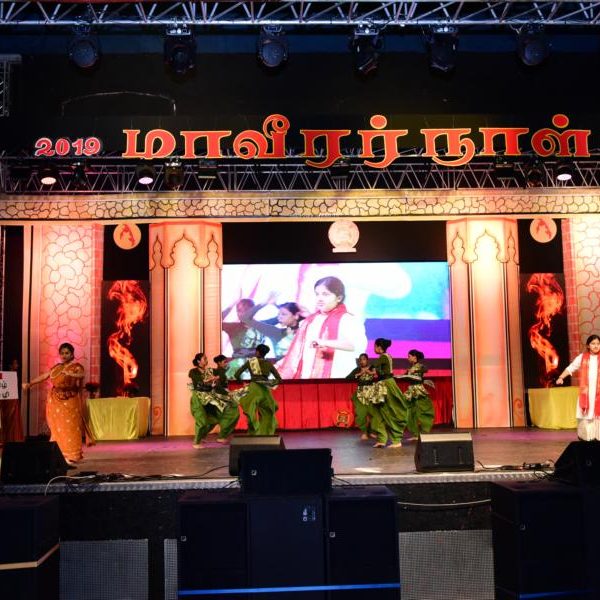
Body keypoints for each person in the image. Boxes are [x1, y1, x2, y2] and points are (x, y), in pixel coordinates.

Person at [276, 276, 367, 379]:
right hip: (308, 376)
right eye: (317, 294)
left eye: (325, 294)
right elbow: (301, 351)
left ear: (339, 298)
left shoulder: (348, 319)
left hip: (338, 377)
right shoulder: (311, 320)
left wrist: (324, 342)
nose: (319, 298)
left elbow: (355, 345)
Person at [22, 343, 85, 465]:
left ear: (72, 354)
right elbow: (45, 376)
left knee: (70, 427)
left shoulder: (76, 367)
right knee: (58, 427)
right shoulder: (57, 368)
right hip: (56, 401)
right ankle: (60, 454)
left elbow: (81, 375)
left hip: (70, 399)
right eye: (62, 353)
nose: (64, 355)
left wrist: (71, 374)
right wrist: (30, 384)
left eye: (67, 353)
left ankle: (72, 454)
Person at [188, 352, 239, 448]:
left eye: (206, 359)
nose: (206, 360)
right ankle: (196, 442)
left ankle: (203, 436)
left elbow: (222, 373)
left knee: (214, 418)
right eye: (204, 359)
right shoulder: (193, 371)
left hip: (209, 397)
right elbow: (198, 383)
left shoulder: (210, 371)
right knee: (202, 420)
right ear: (198, 361)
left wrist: (218, 377)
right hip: (198, 397)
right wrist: (209, 381)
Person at [556, 334, 600, 441]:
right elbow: (571, 368)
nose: (596, 346)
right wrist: (561, 377)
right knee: (586, 417)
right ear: (588, 345)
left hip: (598, 394)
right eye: (593, 343)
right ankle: (586, 439)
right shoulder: (582, 357)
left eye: (598, 344)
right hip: (586, 394)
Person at [234, 344, 282, 435]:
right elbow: (279, 379)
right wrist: (269, 383)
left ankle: (254, 431)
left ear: (257, 352)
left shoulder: (250, 362)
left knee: (250, 410)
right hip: (265, 390)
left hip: (254, 388)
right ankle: (265, 433)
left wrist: (243, 383)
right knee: (268, 412)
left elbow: (237, 374)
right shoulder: (268, 364)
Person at [369, 338, 408, 449]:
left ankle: (396, 440)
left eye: (375, 346)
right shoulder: (387, 356)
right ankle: (381, 439)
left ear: (379, 347)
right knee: (378, 411)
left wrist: (369, 371)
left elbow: (375, 368)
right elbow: (379, 370)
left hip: (386, 384)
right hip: (383, 383)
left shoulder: (383, 357)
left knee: (390, 411)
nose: (374, 348)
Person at [240, 295, 304, 360]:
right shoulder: (276, 332)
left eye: (283, 314)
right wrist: (265, 302)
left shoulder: (306, 330)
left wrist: (278, 306)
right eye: (278, 315)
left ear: (296, 315)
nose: (279, 317)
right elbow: (245, 318)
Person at [222, 298, 266, 378]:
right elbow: (215, 322)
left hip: (257, 368)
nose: (241, 313)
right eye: (239, 310)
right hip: (237, 368)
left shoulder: (262, 326)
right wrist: (231, 305)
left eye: (246, 310)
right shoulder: (232, 327)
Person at [398, 349, 435, 437]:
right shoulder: (410, 368)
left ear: (414, 357)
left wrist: (415, 371)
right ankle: (415, 434)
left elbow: (425, 369)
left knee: (423, 410)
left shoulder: (420, 366)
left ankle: (425, 431)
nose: (408, 358)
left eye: (409, 356)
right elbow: (405, 376)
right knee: (410, 412)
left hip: (418, 390)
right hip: (411, 390)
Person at [346, 353, 377, 440]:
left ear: (367, 360)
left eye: (364, 359)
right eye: (360, 360)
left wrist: (370, 372)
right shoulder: (357, 369)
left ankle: (371, 431)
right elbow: (348, 378)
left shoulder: (372, 367)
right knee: (361, 414)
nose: (362, 361)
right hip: (361, 394)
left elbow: (378, 375)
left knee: (373, 414)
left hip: (371, 393)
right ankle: (364, 432)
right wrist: (359, 374)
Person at [0, 357, 25, 443]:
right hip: (9, 401)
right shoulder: (7, 375)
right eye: (15, 363)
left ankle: (11, 438)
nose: (17, 365)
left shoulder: (14, 374)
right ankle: (9, 438)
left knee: (12, 421)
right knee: (9, 420)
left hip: (13, 400)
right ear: (10, 365)